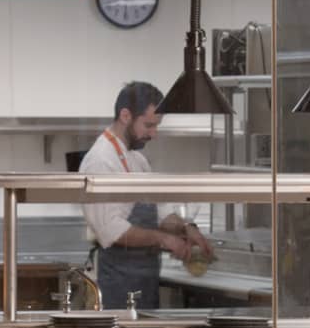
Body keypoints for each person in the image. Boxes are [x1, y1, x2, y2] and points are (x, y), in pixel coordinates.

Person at [80, 81, 212, 309]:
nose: (154, 133)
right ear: (125, 116)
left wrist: (186, 228)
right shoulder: (101, 160)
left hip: (144, 282)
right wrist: (164, 239)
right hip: (114, 285)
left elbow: (160, 212)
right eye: (149, 125)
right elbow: (111, 230)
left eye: (156, 126)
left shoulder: (137, 159)